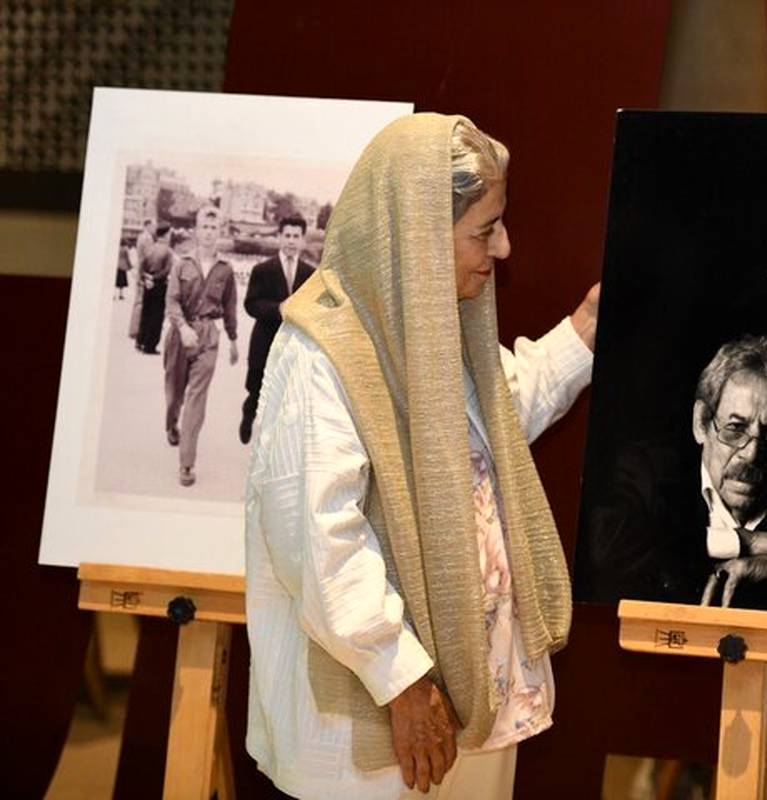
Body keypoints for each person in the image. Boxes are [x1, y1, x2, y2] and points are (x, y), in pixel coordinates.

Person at [244, 114, 598, 799]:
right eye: (483, 232)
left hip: (468, 694)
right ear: (418, 235)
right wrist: (402, 679)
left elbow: (490, 423)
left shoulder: (427, 323)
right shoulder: (321, 352)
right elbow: (319, 541)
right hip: (379, 722)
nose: (503, 248)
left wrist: (584, 331)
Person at [580, 334, 767, 612]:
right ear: (701, 423)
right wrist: (744, 542)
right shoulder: (648, 473)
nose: (752, 454)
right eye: (735, 428)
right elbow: (599, 545)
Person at [163, 206, 239, 487]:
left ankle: (186, 463)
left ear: (220, 232)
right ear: (196, 230)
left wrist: (233, 340)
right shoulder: (181, 264)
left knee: (196, 399)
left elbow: (230, 306)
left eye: (213, 228)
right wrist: (183, 328)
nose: (209, 232)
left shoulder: (226, 270)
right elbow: (171, 301)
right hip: (179, 336)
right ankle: (171, 423)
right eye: (204, 227)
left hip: (208, 337)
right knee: (174, 394)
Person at [239, 215, 315, 444]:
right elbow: (251, 304)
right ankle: (248, 413)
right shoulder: (262, 270)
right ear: (279, 237)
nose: (291, 241)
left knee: (287, 392)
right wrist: (278, 309)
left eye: (296, 236)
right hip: (265, 339)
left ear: (303, 240)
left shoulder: (311, 274)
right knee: (257, 386)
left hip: (294, 342)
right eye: (287, 235)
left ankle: (274, 441)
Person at [135, 222, 174, 354]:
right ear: (166, 234)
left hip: (147, 284)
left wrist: (146, 278)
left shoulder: (150, 248)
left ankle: (140, 341)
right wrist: (154, 278)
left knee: (145, 313)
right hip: (159, 285)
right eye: (170, 233)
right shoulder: (168, 251)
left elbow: (141, 266)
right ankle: (150, 346)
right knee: (157, 316)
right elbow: (167, 271)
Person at [128, 218, 155, 339]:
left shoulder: (141, 237)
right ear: (148, 225)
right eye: (153, 225)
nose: (154, 228)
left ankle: (135, 328)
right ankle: (136, 329)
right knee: (141, 301)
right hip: (144, 271)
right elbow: (149, 256)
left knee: (139, 300)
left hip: (141, 270)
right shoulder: (147, 238)